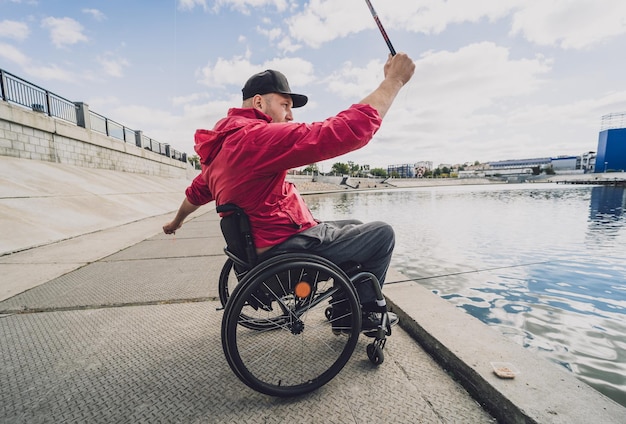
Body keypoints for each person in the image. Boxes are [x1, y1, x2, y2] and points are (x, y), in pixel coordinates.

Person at [164, 53, 415, 334]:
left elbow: (195, 194)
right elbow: (344, 131)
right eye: (285, 104)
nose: (291, 114)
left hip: (264, 251)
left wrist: (176, 222)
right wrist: (394, 80)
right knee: (382, 234)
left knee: (355, 227)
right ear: (259, 102)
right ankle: (359, 314)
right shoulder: (256, 139)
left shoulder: (220, 151)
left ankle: (347, 307)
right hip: (287, 250)